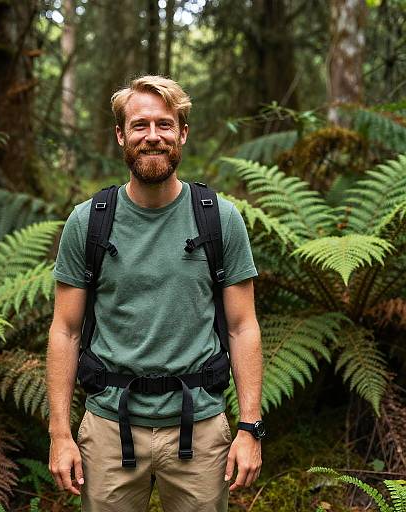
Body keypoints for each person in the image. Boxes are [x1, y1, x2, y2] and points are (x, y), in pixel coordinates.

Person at [46, 75, 263, 512]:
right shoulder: (89, 222)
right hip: (108, 428)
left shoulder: (219, 219)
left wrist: (250, 428)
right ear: (120, 134)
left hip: (200, 429)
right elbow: (65, 331)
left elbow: (243, 327)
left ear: (182, 133)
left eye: (164, 125)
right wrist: (60, 434)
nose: (152, 137)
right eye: (140, 125)